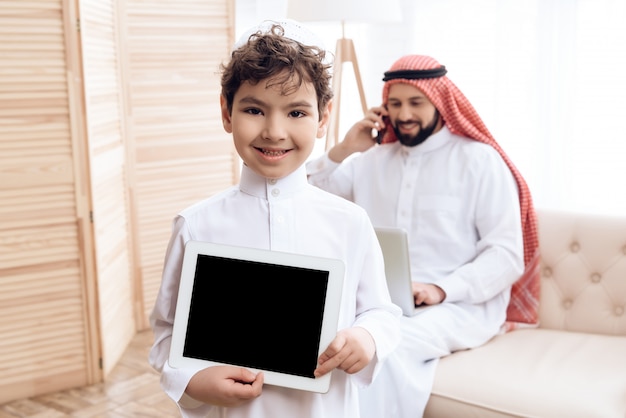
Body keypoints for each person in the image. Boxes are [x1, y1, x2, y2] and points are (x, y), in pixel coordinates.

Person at [148, 19, 402, 418]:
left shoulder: (350, 221)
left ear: (323, 119)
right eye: (254, 110)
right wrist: (192, 380)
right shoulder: (195, 225)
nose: (274, 131)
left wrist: (366, 337)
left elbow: (382, 312)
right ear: (226, 112)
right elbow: (167, 330)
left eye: (297, 112)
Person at [306, 54, 540, 417]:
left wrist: (441, 289)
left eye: (416, 102)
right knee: (327, 341)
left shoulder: (479, 161)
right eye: (395, 103)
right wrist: (343, 150)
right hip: (379, 302)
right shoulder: (371, 160)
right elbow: (307, 199)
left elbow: (506, 255)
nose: (404, 115)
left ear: (441, 102)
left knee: (382, 348)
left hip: (459, 306)